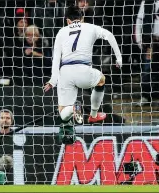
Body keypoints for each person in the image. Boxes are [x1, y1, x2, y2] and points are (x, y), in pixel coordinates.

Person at [43, 6, 122, 144]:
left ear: (67, 20)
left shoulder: (61, 32)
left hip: (65, 71)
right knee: (101, 80)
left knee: (62, 112)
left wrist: (53, 80)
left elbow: (56, 58)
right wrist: (118, 57)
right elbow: (109, 35)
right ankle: (93, 114)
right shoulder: (90, 27)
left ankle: (73, 108)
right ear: (82, 18)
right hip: (83, 69)